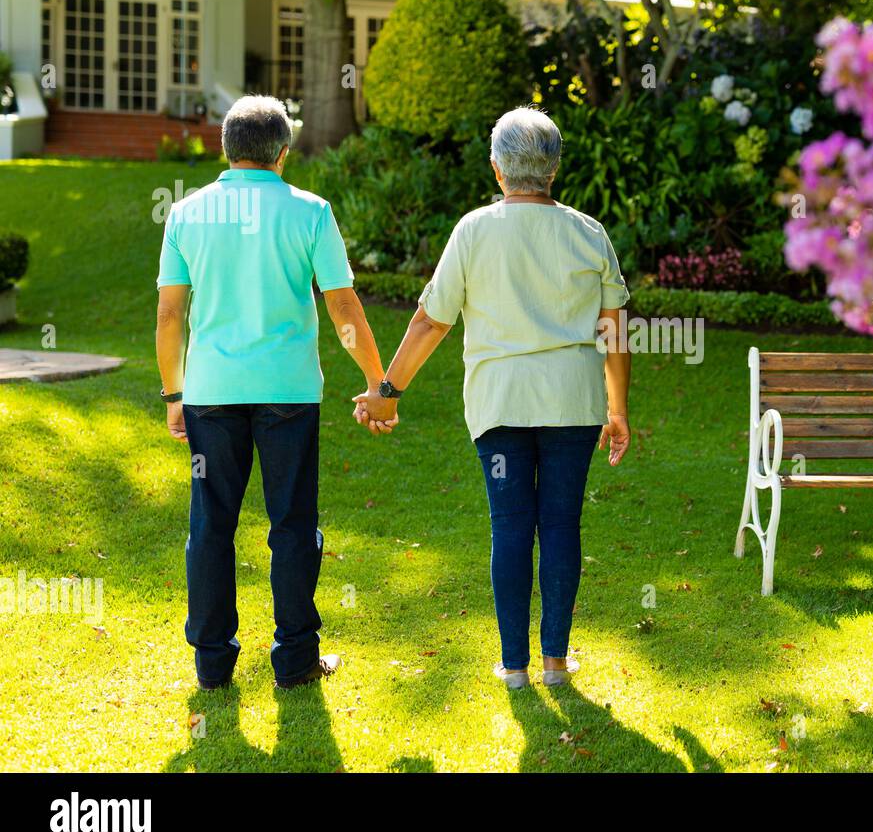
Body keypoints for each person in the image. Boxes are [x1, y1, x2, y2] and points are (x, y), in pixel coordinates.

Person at [355, 106, 631, 689]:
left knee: (510, 525)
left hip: (499, 406)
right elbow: (615, 333)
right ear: (553, 169)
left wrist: (388, 392)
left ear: (496, 167)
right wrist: (618, 410)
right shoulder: (589, 233)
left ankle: (514, 667)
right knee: (560, 525)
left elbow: (431, 322)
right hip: (572, 405)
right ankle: (554, 662)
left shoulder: (473, 230)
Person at [156, 95, 390, 690]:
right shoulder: (311, 212)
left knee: (211, 525)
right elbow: (341, 306)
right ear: (283, 154)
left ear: (226, 149)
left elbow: (169, 318)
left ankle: (212, 664)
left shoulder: (186, 214)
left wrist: (172, 394)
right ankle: (295, 661)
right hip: (288, 392)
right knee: (292, 523)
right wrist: (375, 380)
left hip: (210, 392)